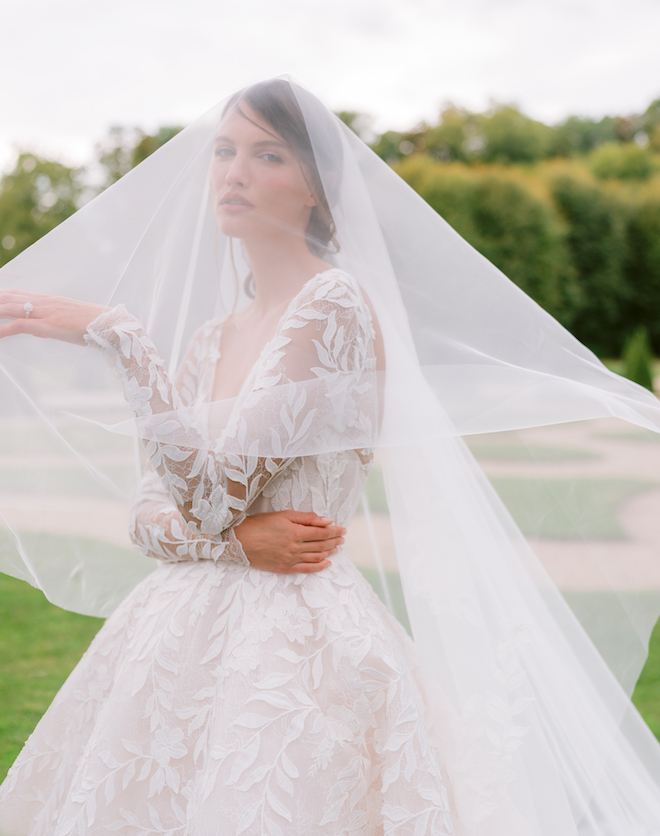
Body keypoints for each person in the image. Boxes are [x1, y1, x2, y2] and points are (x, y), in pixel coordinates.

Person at [1, 78, 660, 835]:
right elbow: (149, 517)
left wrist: (121, 335)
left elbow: (210, 497)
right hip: (173, 640)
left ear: (317, 188)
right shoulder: (213, 336)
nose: (233, 173)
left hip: (293, 646)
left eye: (267, 153)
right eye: (224, 151)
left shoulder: (331, 305)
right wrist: (236, 544)